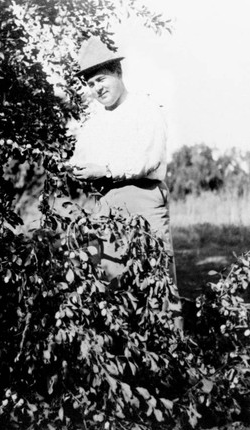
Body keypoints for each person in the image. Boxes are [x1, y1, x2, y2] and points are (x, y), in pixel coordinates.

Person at [70, 36, 177, 285]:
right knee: (113, 279)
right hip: (105, 202)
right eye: (91, 83)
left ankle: (167, 325)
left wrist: (105, 169)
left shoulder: (145, 107)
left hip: (142, 198)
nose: (97, 88)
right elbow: (82, 157)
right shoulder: (92, 123)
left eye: (101, 79)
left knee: (157, 280)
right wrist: (75, 168)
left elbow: (148, 159)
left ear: (118, 72)